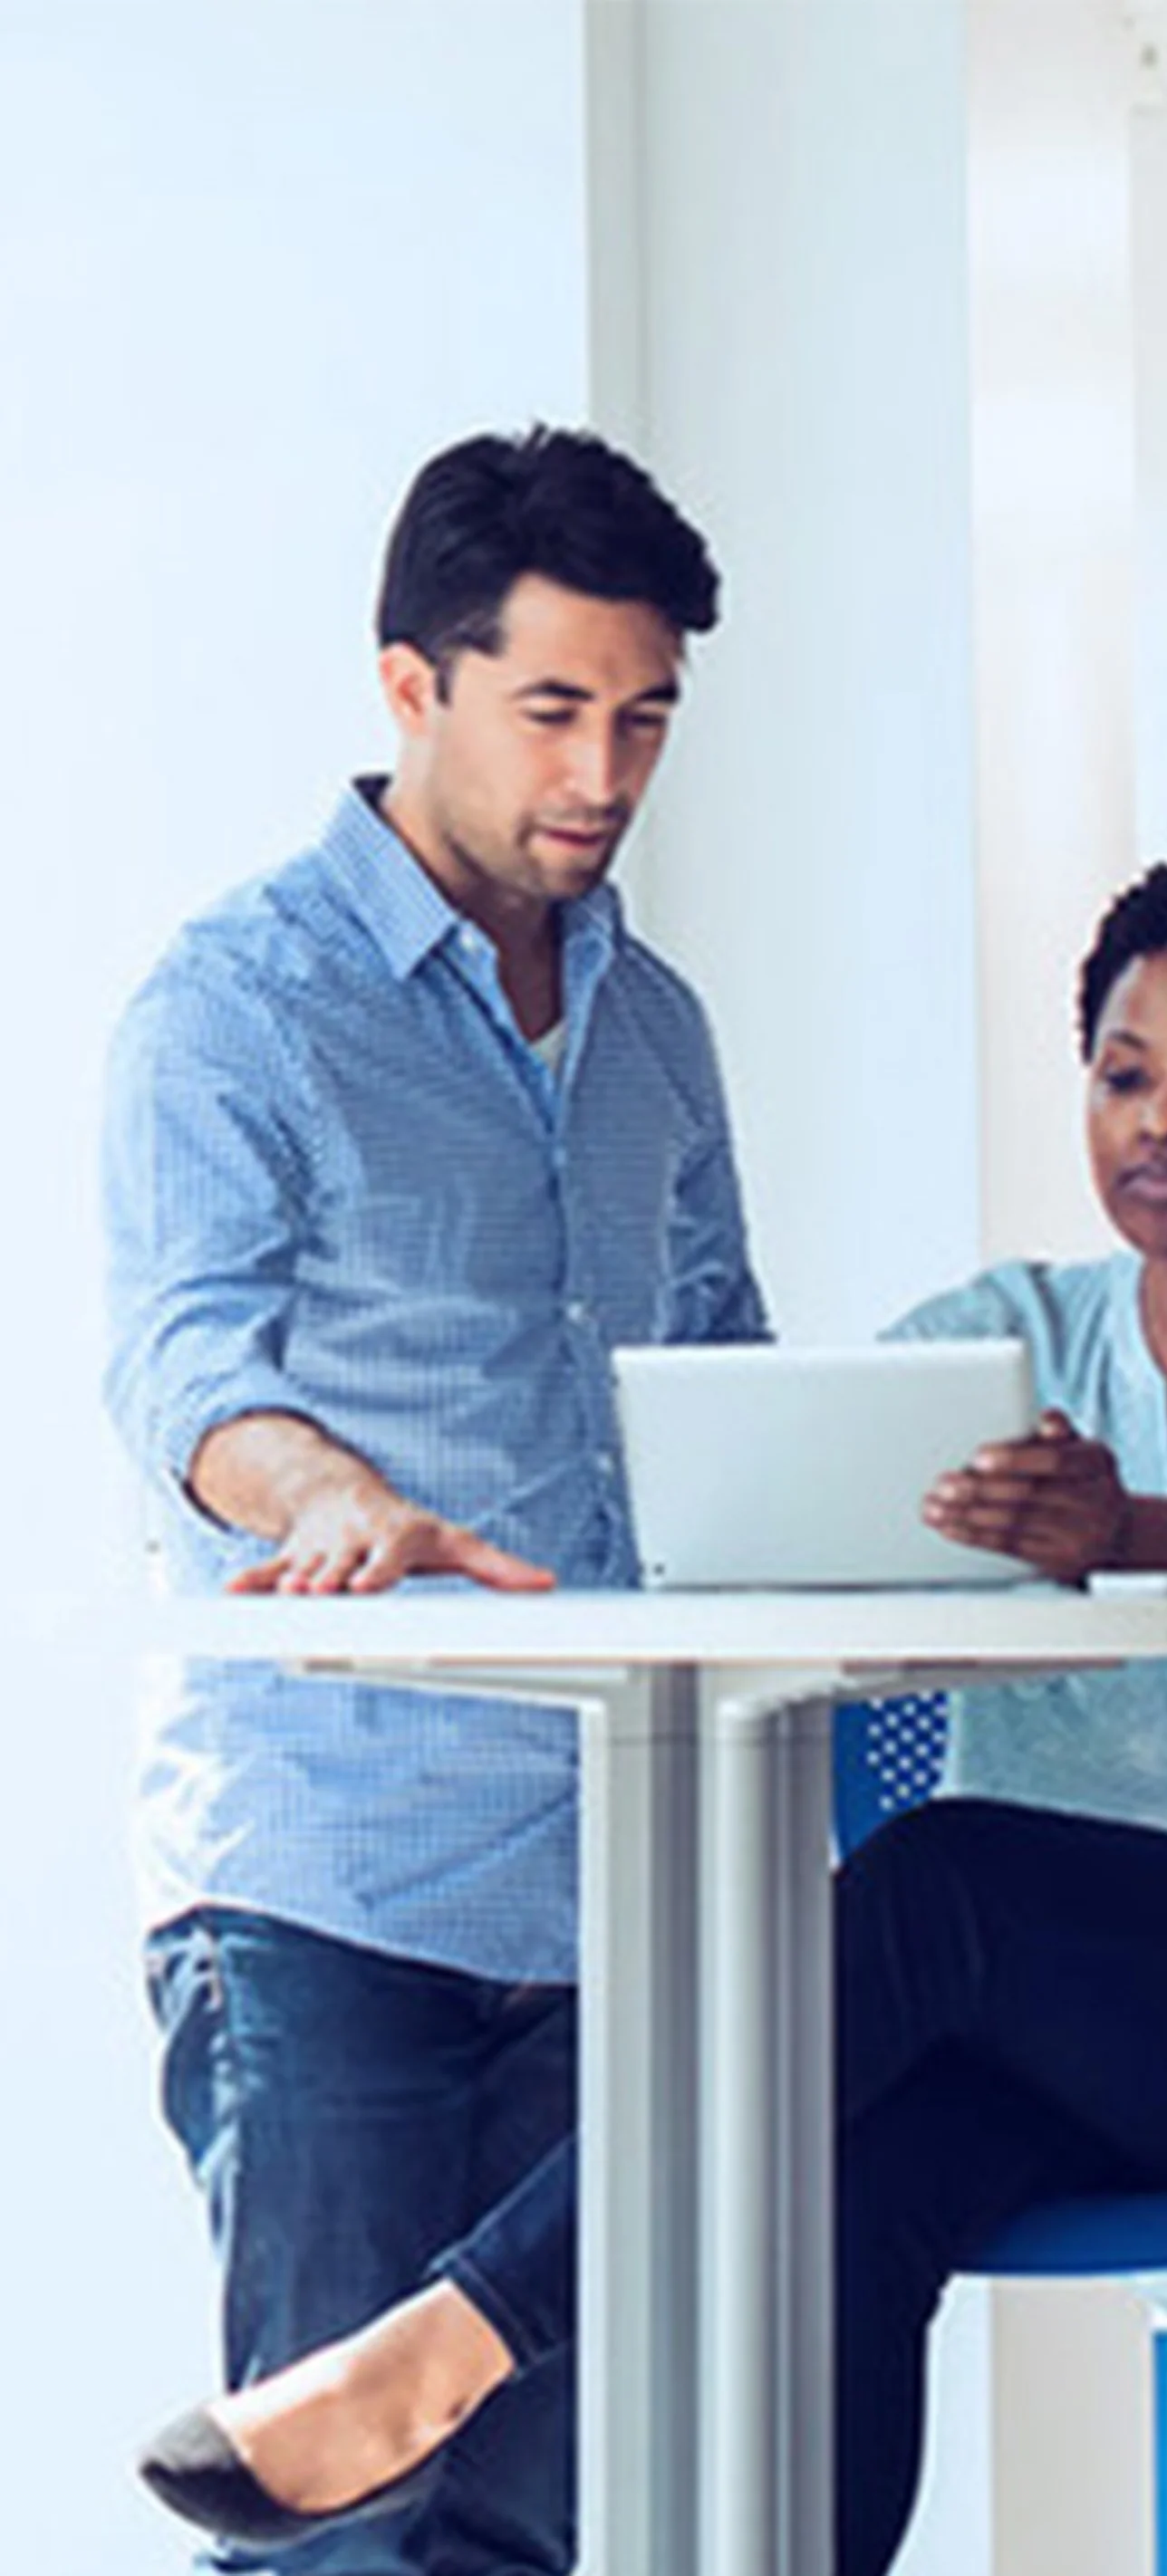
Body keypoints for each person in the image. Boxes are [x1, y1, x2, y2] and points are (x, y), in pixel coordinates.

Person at [140, 851, 1167, 2574]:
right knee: (837, 2194)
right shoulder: (1003, 1339)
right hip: (1062, 2055)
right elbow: (777, 1506)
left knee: (944, 1880)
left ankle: (444, 2346)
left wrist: (1125, 1534)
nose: (1161, 1122)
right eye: (1126, 1074)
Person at [104, 424, 767, 2576]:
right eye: (553, 710)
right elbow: (188, 1366)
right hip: (335, 1888)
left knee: (557, 2532)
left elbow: (718, 1375)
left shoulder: (656, 1031)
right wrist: (331, 1491)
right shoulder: (240, 1006)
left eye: (643, 716)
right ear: (413, 686)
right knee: (337, 2537)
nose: (604, 771)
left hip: (619, 1895)